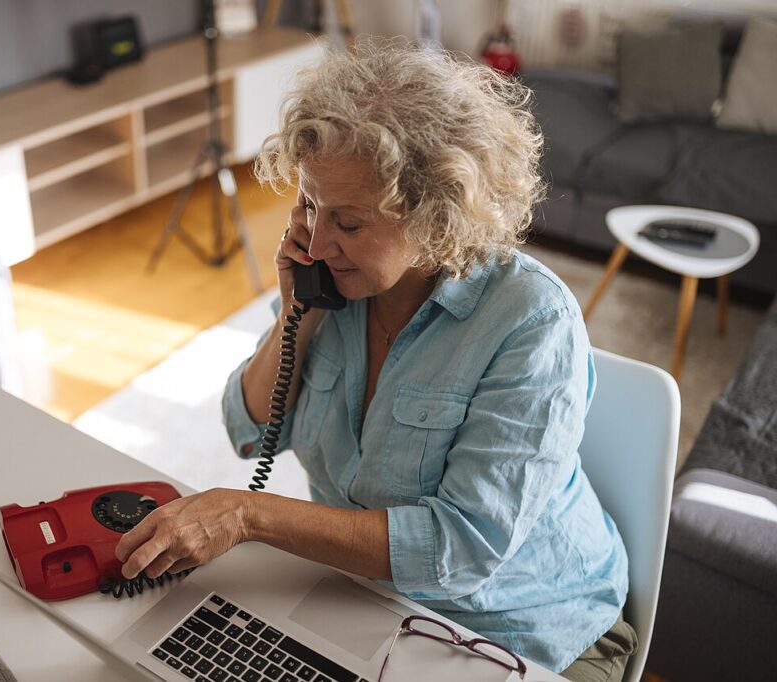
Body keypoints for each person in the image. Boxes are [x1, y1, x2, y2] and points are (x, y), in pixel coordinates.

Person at [114, 41, 636, 681]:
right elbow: (245, 427)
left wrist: (250, 515)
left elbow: (461, 549)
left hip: (529, 632)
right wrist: (295, 314)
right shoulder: (336, 284)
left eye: (350, 223)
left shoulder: (532, 321)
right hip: (371, 604)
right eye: (309, 205)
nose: (316, 238)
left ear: (437, 215)